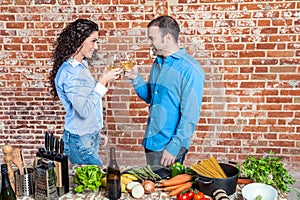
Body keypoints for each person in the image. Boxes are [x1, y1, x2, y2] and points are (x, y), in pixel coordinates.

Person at [125, 15, 205, 167]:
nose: (149, 43)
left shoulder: (191, 69)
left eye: (152, 38)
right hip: (151, 141)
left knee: (166, 188)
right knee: (153, 188)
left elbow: (190, 116)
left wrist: (174, 148)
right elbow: (151, 97)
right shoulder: (158, 62)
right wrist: (136, 78)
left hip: (169, 148)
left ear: (167, 38)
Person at [49, 19, 122, 165]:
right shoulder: (70, 73)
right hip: (80, 141)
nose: (96, 46)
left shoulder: (80, 66)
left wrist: (95, 132)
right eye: (93, 41)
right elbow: (83, 110)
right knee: (94, 183)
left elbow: (86, 100)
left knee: (90, 184)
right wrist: (102, 81)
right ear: (80, 40)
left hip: (85, 137)